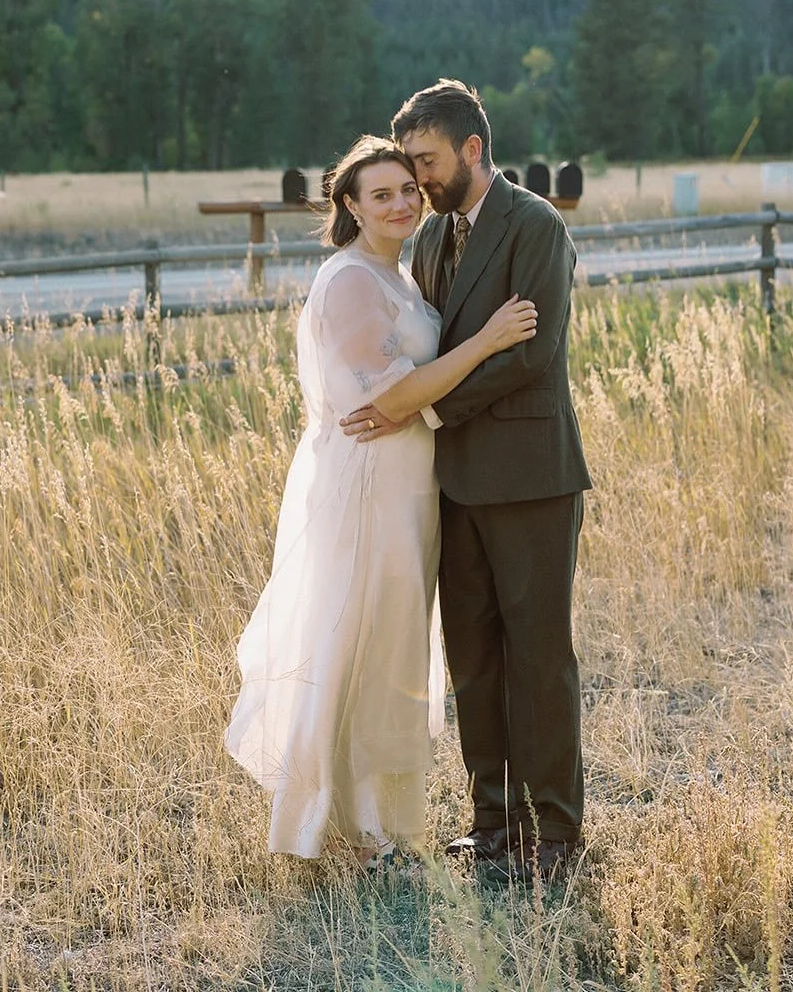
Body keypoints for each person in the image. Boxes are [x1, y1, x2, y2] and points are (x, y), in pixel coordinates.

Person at [224, 135, 537, 866]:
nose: (400, 203)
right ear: (350, 207)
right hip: (365, 490)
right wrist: (488, 340)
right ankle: (331, 832)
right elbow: (387, 396)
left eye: (407, 189)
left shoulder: (398, 276)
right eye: (381, 194)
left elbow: (407, 392)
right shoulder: (349, 281)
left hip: (409, 492)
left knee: (390, 648)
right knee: (351, 647)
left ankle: (374, 823)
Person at [341, 82, 591, 882]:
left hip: (528, 479)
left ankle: (554, 833)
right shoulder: (429, 240)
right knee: (473, 657)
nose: (416, 181)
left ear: (471, 149)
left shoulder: (535, 226)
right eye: (406, 166)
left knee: (537, 656)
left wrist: (431, 412)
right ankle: (493, 824)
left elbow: (528, 354)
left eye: (425, 162)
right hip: (451, 485)